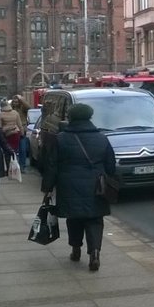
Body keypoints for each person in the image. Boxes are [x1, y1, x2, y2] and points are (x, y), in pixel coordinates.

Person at [41, 103, 116, 271]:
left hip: (69, 185)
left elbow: (52, 165)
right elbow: (111, 165)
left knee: (74, 218)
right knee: (95, 219)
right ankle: (95, 253)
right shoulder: (102, 138)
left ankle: (76, 250)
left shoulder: (61, 138)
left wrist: (47, 187)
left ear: (71, 118)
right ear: (89, 117)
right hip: (96, 186)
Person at [11, 94, 31, 173]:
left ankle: (22, 166)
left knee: (23, 149)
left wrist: (21, 99)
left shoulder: (23, 109)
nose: (16, 103)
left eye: (17, 102)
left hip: (22, 130)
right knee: (13, 150)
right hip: (13, 131)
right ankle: (14, 167)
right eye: (14, 102)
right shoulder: (11, 109)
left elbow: (29, 107)